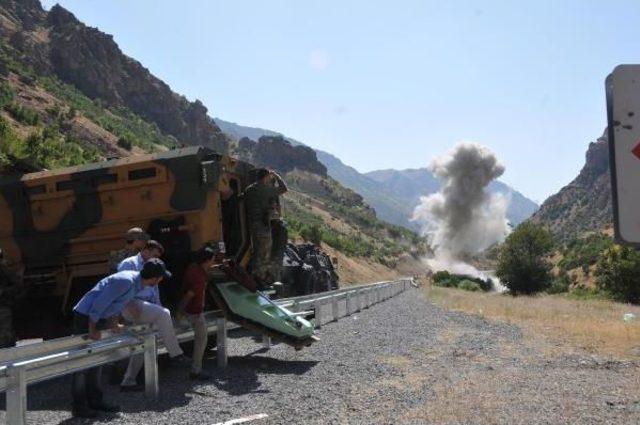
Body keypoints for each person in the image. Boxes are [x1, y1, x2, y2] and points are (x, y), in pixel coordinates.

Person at [71, 259, 171, 418]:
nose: (161, 280)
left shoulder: (136, 284)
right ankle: (80, 407)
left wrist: (113, 323)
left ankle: (96, 401)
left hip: (97, 318)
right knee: (83, 363)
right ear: (155, 278)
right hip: (87, 317)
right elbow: (99, 304)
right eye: (160, 277)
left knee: (98, 360)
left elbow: (116, 304)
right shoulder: (126, 281)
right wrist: (92, 328)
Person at [117, 240, 188, 391]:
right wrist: (129, 304)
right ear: (146, 251)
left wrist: (158, 309)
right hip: (133, 305)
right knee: (164, 314)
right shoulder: (128, 264)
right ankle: (176, 354)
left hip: (145, 307)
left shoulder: (153, 265)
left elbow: (155, 292)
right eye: (154, 254)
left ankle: (128, 382)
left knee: (144, 343)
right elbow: (120, 287)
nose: (155, 258)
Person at [177, 247, 218, 380]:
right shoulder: (199, 277)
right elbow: (189, 295)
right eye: (212, 259)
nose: (213, 262)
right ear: (206, 260)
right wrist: (180, 311)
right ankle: (196, 370)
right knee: (201, 340)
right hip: (194, 312)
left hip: (192, 311)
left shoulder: (194, 267)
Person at [243, 169, 288, 282]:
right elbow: (284, 189)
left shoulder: (249, 189)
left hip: (251, 225)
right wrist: (277, 176)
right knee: (264, 255)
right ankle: (258, 279)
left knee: (257, 251)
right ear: (265, 177)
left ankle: (253, 276)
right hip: (262, 226)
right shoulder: (265, 189)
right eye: (268, 177)